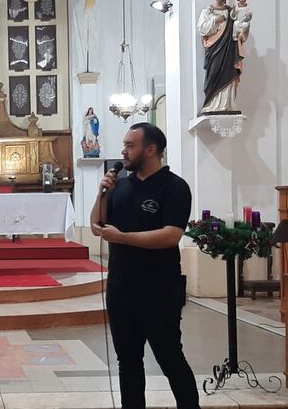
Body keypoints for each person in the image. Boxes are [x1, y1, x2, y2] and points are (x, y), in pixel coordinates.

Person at [90, 123, 200, 409]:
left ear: (151, 149)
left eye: (130, 145)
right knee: (128, 362)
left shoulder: (174, 187)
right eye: (124, 145)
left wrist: (123, 238)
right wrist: (101, 192)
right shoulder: (121, 184)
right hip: (120, 288)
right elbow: (97, 225)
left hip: (158, 288)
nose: (124, 151)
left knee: (170, 358)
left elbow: (171, 235)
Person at [197, 0, 242, 114]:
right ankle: (211, 103)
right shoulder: (207, 11)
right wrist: (215, 20)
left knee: (229, 72)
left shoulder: (230, 11)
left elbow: (237, 27)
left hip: (229, 49)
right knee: (214, 72)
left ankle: (228, 104)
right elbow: (202, 28)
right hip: (215, 48)